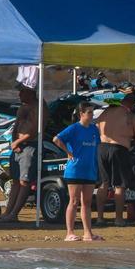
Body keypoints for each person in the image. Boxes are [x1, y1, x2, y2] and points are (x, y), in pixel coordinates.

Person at [94, 93, 135, 226]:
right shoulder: (130, 116)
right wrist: (132, 143)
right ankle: (118, 218)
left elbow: (97, 127)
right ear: (133, 104)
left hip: (102, 147)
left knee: (104, 183)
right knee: (119, 185)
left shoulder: (106, 112)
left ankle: (100, 217)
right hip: (119, 148)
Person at [53, 102, 102, 242]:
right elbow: (56, 139)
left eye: (93, 112)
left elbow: (97, 146)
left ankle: (88, 233)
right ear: (81, 114)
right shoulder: (74, 128)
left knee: (86, 202)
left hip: (89, 170)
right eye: (89, 113)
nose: (92, 115)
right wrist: (68, 152)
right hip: (75, 170)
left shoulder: (94, 129)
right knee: (73, 201)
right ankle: (70, 232)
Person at [0, 85, 45, 222]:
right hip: (17, 146)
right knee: (16, 180)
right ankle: (8, 213)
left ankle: (14, 213)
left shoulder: (38, 107)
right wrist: (14, 142)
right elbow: (16, 126)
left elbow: (35, 130)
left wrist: (19, 142)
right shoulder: (23, 107)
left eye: (22, 91)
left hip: (30, 145)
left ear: (30, 92)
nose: (19, 94)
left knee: (24, 180)